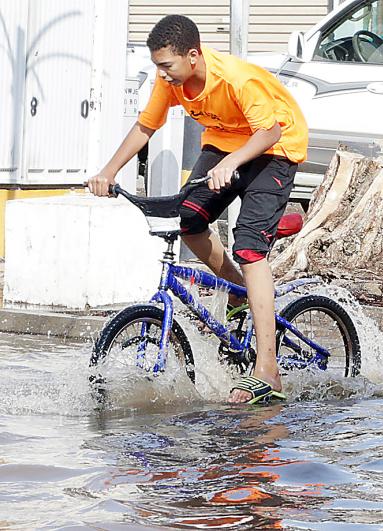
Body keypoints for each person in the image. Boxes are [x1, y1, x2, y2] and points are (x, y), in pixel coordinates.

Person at [86, 15, 308, 403]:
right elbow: (145, 127)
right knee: (188, 221)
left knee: (250, 247)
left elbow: (270, 130)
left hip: (275, 148)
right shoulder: (168, 80)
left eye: (167, 66)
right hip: (224, 145)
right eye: (158, 66)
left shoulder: (237, 79)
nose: (162, 75)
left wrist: (233, 162)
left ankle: (268, 370)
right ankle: (239, 290)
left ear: (193, 55)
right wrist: (108, 171)